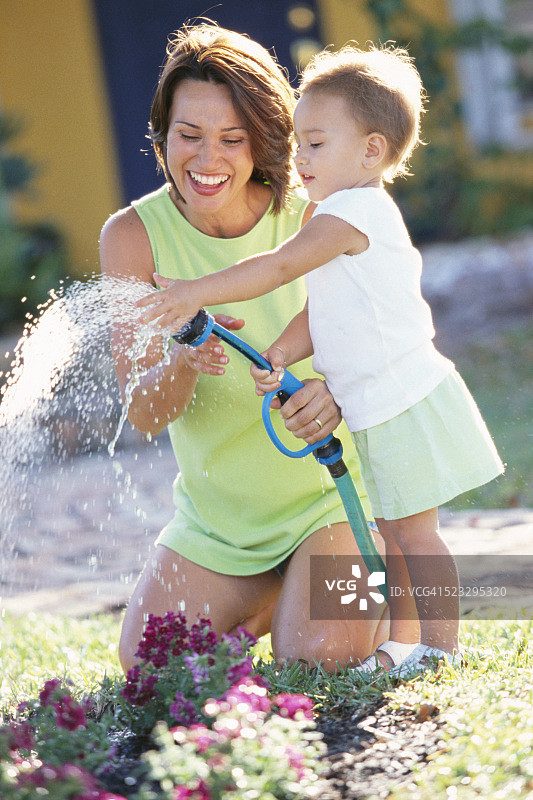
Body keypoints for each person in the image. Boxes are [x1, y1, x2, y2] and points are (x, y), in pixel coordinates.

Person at [138, 43, 505, 676]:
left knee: (412, 538)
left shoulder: (346, 213)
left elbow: (279, 267)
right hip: (364, 418)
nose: (300, 159)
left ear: (369, 151)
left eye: (314, 144)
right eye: (299, 144)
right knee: (393, 535)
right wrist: (281, 352)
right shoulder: (336, 208)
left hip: (399, 404)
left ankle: (440, 648)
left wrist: (194, 291)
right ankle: (406, 642)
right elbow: (324, 310)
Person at [101, 24, 419, 676]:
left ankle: (330, 591)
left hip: (332, 500)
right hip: (218, 525)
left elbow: (396, 330)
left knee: (317, 662)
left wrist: (336, 392)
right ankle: (275, 595)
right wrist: (182, 364)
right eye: (188, 134)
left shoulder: (313, 212)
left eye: (232, 138)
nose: (207, 158)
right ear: (161, 134)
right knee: (149, 669)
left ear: (262, 138)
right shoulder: (132, 237)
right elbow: (143, 414)